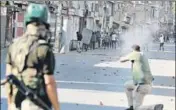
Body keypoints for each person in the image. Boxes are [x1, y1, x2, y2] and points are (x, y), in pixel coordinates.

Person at [5, 3, 60, 110]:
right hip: (37, 105)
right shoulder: (44, 49)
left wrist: (10, 104)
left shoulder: (14, 46)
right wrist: (57, 108)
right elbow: (49, 83)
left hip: (16, 105)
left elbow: (9, 79)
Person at [120, 45, 163, 110]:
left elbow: (122, 60)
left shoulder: (135, 54)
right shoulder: (142, 55)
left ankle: (153, 107)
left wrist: (123, 56)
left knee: (137, 108)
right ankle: (131, 106)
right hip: (148, 84)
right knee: (127, 85)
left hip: (141, 86)